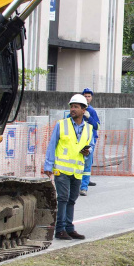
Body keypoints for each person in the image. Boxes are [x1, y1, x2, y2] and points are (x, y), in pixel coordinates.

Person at [43, 94, 93, 239]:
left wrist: (87, 151)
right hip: (61, 169)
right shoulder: (61, 124)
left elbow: (91, 147)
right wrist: (48, 165)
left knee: (72, 199)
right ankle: (59, 229)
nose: (73, 109)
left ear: (84, 110)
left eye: (76, 107)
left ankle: (69, 228)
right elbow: (52, 145)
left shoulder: (88, 129)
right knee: (63, 198)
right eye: (71, 106)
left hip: (77, 171)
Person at [80, 88, 100, 196]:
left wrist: (89, 118)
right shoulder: (77, 109)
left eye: (89, 96)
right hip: (77, 140)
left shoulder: (91, 111)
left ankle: (84, 187)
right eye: (85, 96)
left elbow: (97, 125)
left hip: (89, 140)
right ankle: (80, 183)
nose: (87, 98)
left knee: (87, 163)